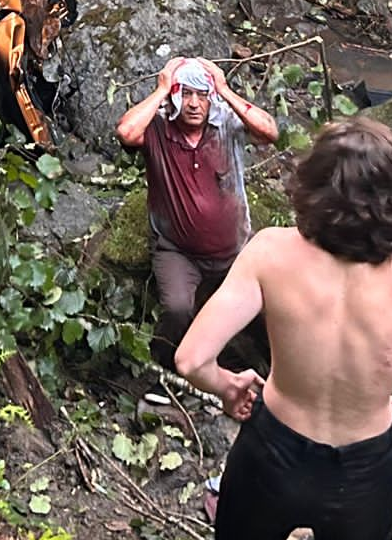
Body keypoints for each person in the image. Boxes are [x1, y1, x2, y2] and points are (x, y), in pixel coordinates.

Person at [176, 118, 392, 540]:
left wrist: (227, 385)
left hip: (273, 450)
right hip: (363, 471)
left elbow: (191, 360)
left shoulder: (271, 251)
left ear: (313, 186)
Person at [115, 55, 279, 345]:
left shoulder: (225, 125)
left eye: (202, 95)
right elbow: (126, 132)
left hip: (235, 249)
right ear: (174, 98)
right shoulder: (158, 128)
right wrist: (163, 88)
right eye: (186, 94)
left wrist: (224, 89)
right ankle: (165, 371)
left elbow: (269, 131)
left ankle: (275, 376)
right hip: (178, 251)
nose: (193, 104)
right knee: (178, 310)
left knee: (268, 308)